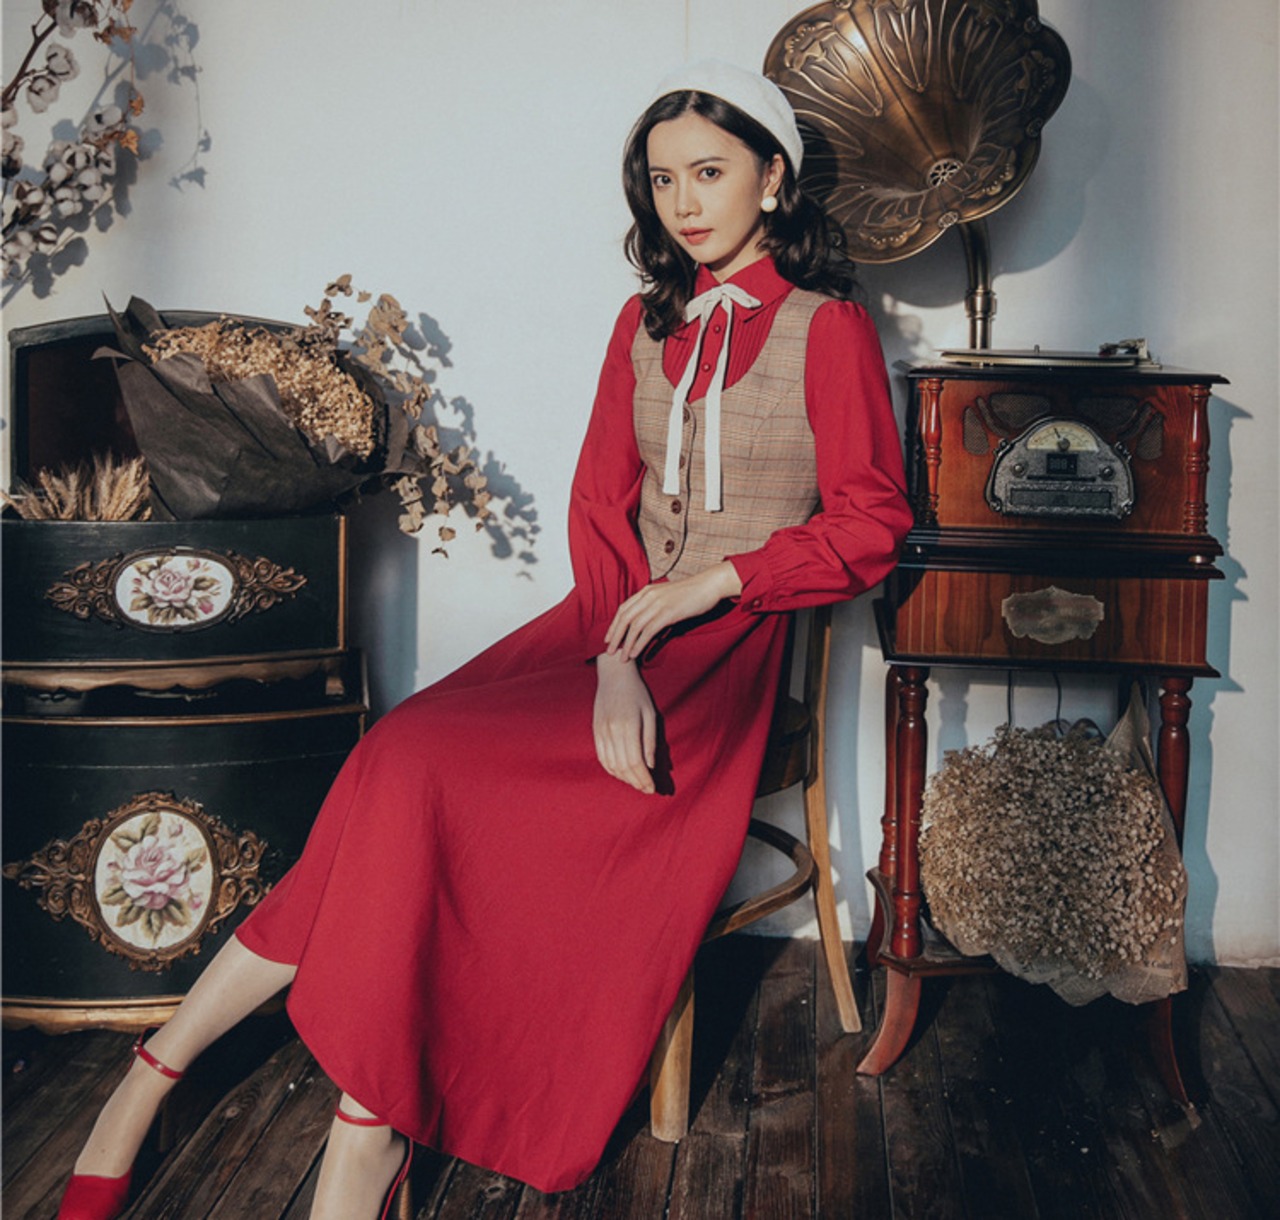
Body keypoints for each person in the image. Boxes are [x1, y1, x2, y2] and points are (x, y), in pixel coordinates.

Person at [56, 59, 912, 1220]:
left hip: (725, 656)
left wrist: (720, 580)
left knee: (423, 773)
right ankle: (178, 1074)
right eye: (661, 180)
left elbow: (870, 524)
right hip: (604, 630)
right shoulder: (643, 321)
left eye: (707, 173)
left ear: (770, 179)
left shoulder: (828, 328)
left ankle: (314, 1116)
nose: (682, 202)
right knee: (396, 753)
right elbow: (597, 503)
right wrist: (614, 658)